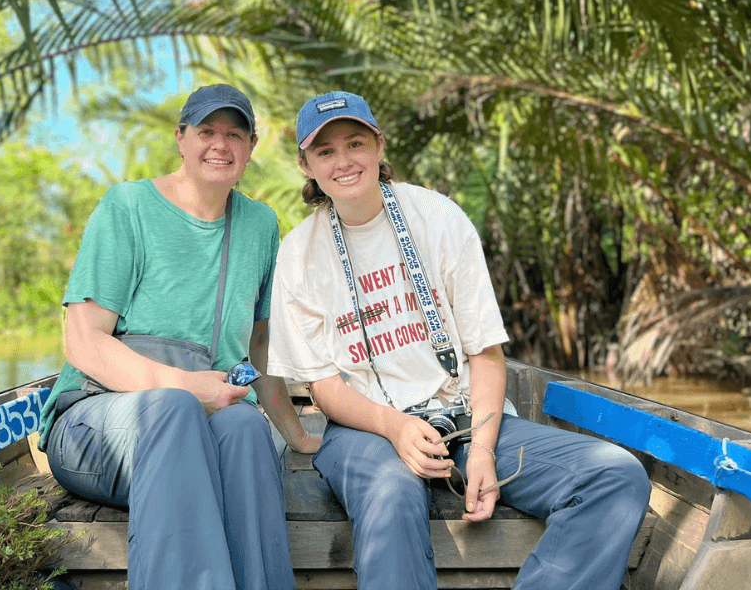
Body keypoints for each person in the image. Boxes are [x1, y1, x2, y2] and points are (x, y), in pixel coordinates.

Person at [267, 90, 651, 590]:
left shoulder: (439, 217)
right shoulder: (298, 253)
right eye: (325, 151)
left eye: (355, 143)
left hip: (470, 418)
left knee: (616, 476)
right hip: (366, 429)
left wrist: (486, 451)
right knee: (390, 494)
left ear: (379, 146)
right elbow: (323, 387)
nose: (344, 161)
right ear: (306, 164)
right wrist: (395, 427)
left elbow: (484, 352)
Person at [37, 83, 320, 590]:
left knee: (249, 432)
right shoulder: (127, 207)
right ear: (181, 139)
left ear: (252, 147)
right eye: (207, 130)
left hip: (199, 422)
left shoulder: (258, 225)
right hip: (96, 423)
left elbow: (261, 345)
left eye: (236, 134)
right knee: (175, 410)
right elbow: (84, 342)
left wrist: (295, 434)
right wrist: (188, 387)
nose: (221, 144)